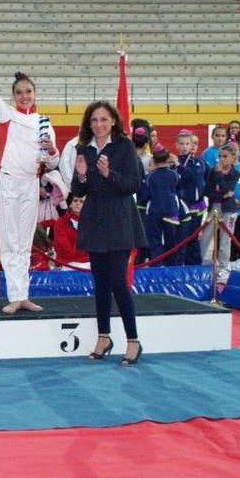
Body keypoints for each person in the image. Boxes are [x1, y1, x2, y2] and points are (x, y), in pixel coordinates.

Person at [0, 29, 59, 314]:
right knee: (8, 241)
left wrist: (52, 152)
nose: (24, 96)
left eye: (28, 92)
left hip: (31, 184)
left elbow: (53, 163)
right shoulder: (6, 114)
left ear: (35, 93)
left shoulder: (45, 122)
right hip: (7, 183)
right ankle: (14, 296)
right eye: (19, 92)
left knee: (25, 241)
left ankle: (24, 295)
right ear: (13, 95)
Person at [71, 100, 146, 366]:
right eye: (94, 120)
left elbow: (133, 185)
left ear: (113, 121)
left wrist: (108, 173)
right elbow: (78, 192)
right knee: (100, 282)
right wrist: (81, 177)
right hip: (94, 219)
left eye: (103, 119)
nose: (99, 125)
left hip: (120, 218)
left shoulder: (124, 146)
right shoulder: (83, 148)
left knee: (117, 281)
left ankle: (133, 340)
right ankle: (104, 336)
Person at [204, 145, 240, 282]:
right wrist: (222, 194)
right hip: (214, 205)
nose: (221, 159)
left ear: (232, 158)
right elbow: (208, 191)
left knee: (226, 238)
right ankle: (203, 263)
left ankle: (224, 266)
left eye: (225, 156)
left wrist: (220, 176)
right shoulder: (212, 171)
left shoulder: (235, 173)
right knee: (206, 235)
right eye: (219, 156)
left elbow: (227, 189)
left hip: (229, 209)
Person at [143, 147, 181, 265]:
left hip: (155, 211)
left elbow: (146, 195)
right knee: (171, 240)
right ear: (168, 159)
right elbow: (177, 191)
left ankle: (156, 265)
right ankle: (171, 266)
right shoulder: (174, 174)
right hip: (171, 211)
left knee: (155, 240)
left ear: (154, 160)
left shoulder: (150, 176)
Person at [175, 130, 208, 266]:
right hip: (179, 207)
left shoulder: (198, 163)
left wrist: (179, 166)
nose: (184, 147)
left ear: (191, 145)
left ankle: (195, 268)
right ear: (176, 145)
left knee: (192, 239)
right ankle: (179, 268)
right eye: (181, 144)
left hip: (194, 207)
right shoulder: (172, 162)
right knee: (180, 240)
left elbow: (192, 177)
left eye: (187, 144)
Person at [40, 193, 89, 270]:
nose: (77, 203)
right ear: (70, 204)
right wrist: (84, 252)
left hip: (88, 263)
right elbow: (63, 249)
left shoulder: (93, 223)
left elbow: (94, 248)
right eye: (75, 200)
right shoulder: (60, 223)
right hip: (66, 264)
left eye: (81, 201)